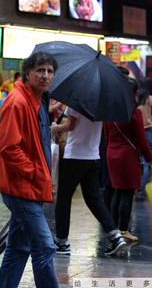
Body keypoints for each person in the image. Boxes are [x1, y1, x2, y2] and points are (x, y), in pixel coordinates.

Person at [0, 52, 73, 288]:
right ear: (27, 73)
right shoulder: (17, 102)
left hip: (32, 186)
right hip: (20, 187)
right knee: (45, 246)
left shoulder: (38, 101)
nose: (45, 75)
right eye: (40, 70)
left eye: (50, 71)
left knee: (19, 246)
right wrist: (36, 171)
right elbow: (8, 148)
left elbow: (32, 140)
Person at [51, 106, 127, 256]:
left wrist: (55, 127)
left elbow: (70, 125)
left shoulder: (77, 101)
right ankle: (115, 236)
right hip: (92, 156)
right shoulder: (101, 104)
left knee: (63, 198)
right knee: (94, 199)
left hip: (74, 156)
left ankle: (62, 242)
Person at [104, 78, 152, 242]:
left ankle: (114, 229)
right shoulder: (133, 112)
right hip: (127, 156)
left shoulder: (110, 110)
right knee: (127, 193)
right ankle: (123, 230)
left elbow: (106, 135)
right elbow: (141, 140)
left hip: (112, 153)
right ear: (135, 93)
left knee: (117, 190)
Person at [135, 84, 152, 201]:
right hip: (148, 131)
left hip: (136, 131)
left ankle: (135, 187)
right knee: (146, 162)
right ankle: (141, 191)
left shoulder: (136, 98)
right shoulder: (151, 99)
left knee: (137, 160)